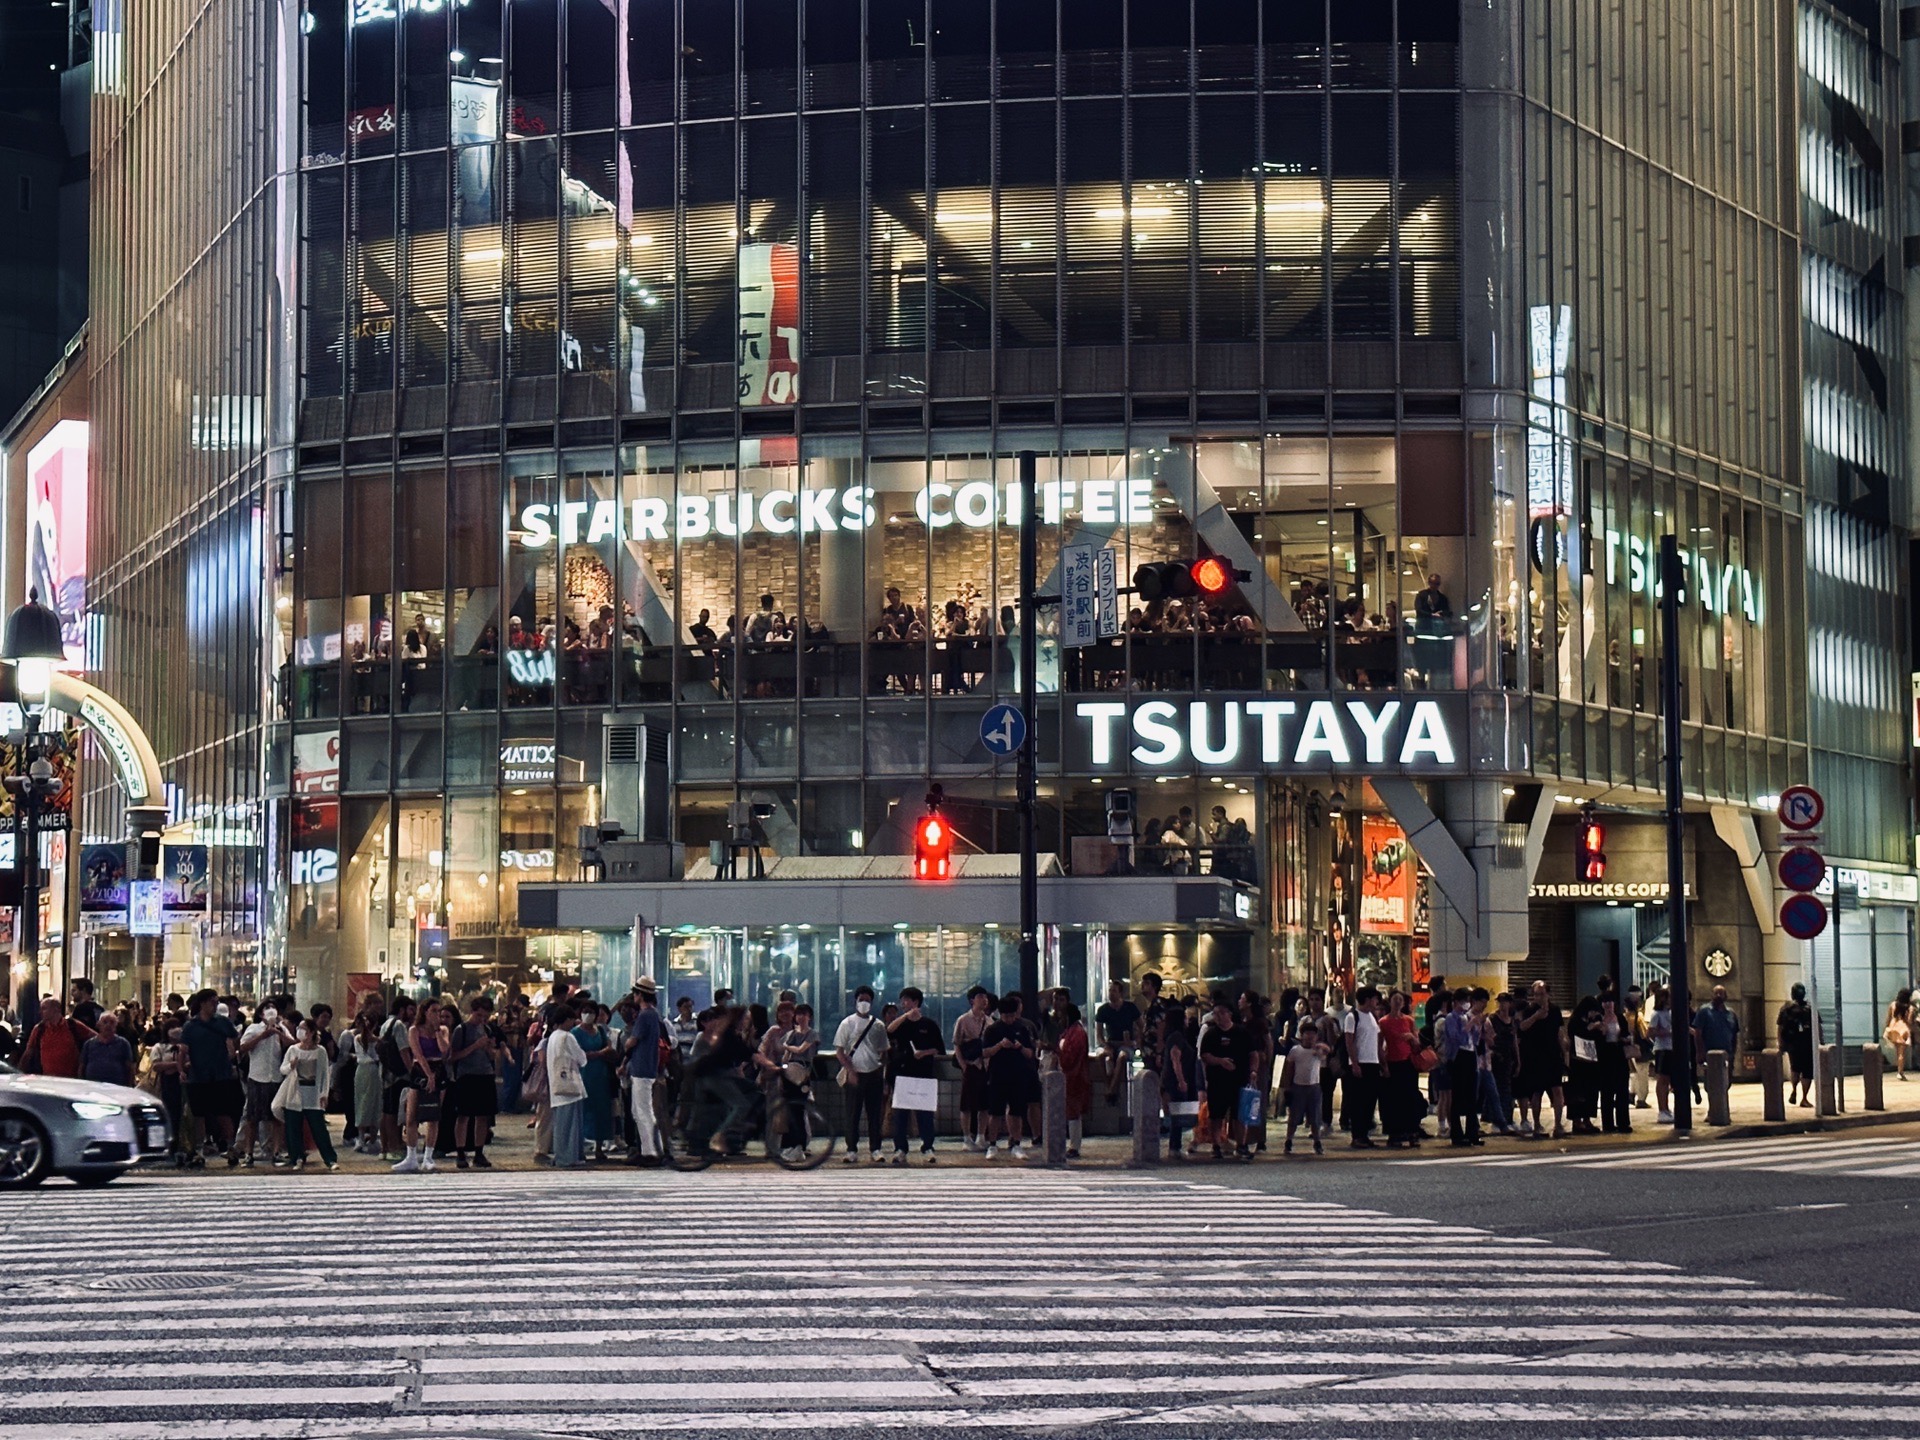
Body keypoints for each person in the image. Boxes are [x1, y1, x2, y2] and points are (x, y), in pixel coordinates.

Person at [179, 990, 242, 1164]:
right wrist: (182, 1070)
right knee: (199, 1114)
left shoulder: (223, 1023)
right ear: (202, 1004)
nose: (215, 1005)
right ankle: (199, 1149)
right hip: (198, 1075)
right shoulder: (191, 1026)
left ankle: (230, 1147)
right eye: (212, 1002)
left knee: (224, 1112)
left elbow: (235, 1040)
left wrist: (231, 1054)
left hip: (221, 1073)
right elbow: (183, 1050)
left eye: (216, 1002)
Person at [883, 987, 945, 1164]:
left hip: (924, 1074)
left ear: (916, 1002)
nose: (903, 1004)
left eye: (907, 1001)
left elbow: (939, 1048)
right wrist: (905, 1016)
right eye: (902, 1001)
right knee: (900, 1114)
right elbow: (890, 1030)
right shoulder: (902, 1024)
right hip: (903, 1073)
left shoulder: (929, 1024)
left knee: (924, 1114)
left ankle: (927, 1147)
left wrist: (924, 1053)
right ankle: (900, 1148)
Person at [393, 1000, 450, 1174]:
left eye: (439, 1011)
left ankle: (428, 1156)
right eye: (433, 1011)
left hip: (438, 1067)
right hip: (420, 1069)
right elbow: (417, 1053)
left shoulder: (443, 1030)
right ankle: (411, 1156)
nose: (437, 1014)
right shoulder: (414, 1030)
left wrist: (437, 1031)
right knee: (412, 1115)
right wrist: (428, 1075)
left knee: (434, 1115)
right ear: (424, 1012)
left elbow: (444, 1050)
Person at [834, 986, 889, 1163]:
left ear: (871, 1003)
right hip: (854, 1075)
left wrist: (881, 1070)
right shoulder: (847, 1023)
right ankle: (851, 1149)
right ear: (855, 1001)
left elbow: (884, 1051)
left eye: (867, 1000)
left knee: (875, 1113)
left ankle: (876, 1148)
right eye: (861, 999)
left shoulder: (878, 1025)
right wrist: (850, 1070)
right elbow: (840, 1051)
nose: (864, 1003)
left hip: (874, 1074)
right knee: (852, 1113)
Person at [982, 994, 1038, 1160]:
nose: (1009, 1019)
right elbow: (985, 1052)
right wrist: (1000, 1045)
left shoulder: (1023, 1028)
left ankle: (1016, 1143)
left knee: (1017, 1111)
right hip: (998, 1074)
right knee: (995, 1112)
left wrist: (1019, 1047)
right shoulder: (992, 1029)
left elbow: (1030, 1054)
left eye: (1012, 1016)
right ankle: (992, 1144)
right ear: (1000, 1014)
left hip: (1019, 1074)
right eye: (1006, 1016)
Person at [277, 1020, 339, 1170]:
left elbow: (325, 1074)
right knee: (293, 1127)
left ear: (311, 1032)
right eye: (299, 1028)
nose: (300, 1031)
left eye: (303, 1029)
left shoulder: (320, 1051)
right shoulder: (293, 1049)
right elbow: (283, 1069)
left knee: (318, 1127)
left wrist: (324, 1093)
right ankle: (296, 1157)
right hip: (295, 1093)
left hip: (313, 1094)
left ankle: (330, 1159)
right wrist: (291, 1066)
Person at [237, 1002, 293, 1166]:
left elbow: (292, 1044)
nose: (271, 1011)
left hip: (275, 1077)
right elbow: (242, 1047)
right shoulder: (253, 1028)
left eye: (273, 1008)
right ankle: (248, 1153)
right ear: (261, 1014)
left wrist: (278, 1032)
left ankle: (276, 1152)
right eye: (267, 1009)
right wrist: (263, 1035)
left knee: (276, 1117)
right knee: (252, 1118)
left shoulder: (281, 1028)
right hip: (257, 1077)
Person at [448, 996, 500, 1169]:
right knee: (463, 1115)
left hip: (485, 1074)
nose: (481, 1020)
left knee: (482, 1116)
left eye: (485, 1017)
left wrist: (489, 1049)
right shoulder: (461, 1030)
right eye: (478, 1015)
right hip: (466, 1075)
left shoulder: (487, 1029)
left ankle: (479, 1151)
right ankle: (461, 1151)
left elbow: (493, 1056)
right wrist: (475, 1046)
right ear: (472, 1011)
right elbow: (453, 1056)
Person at [622, 976, 666, 1163]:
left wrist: (627, 1045)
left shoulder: (645, 1015)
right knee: (640, 1110)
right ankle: (652, 1148)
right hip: (646, 1067)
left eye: (635, 993)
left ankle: (651, 1152)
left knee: (643, 1111)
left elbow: (633, 1041)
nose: (634, 996)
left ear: (640, 995)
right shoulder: (653, 1014)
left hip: (642, 1068)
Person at [1199, 999, 1249, 1161]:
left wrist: (1253, 1071)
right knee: (1216, 1115)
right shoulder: (1211, 1034)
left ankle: (1241, 1145)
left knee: (1239, 1115)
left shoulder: (1241, 1032)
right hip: (1217, 1080)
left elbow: (1253, 1053)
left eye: (1222, 1013)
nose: (1218, 1016)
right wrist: (1220, 1061)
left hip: (1239, 1079)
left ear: (1230, 1014)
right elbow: (1204, 1055)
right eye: (1215, 1014)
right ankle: (1216, 1145)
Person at [1516, 980, 1567, 1139]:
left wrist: (1565, 1049)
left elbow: (1559, 1031)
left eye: (1541, 994)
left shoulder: (1555, 1010)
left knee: (1557, 1090)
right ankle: (1537, 1123)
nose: (1538, 997)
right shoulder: (1530, 1010)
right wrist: (1536, 1017)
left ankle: (1558, 1123)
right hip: (1536, 1056)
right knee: (1536, 1092)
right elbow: (1522, 1027)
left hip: (1552, 1055)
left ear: (1548, 995)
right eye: (1536, 994)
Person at [1376, 990, 1422, 1148]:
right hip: (1392, 1062)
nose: (1397, 1002)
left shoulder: (1409, 1020)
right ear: (1390, 1002)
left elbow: (1417, 1043)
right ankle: (1395, 1133)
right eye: (1394, 999)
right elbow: (1380, 1046)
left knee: (1409, 1098)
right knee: (1393, 1100)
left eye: (1400, 1000)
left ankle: (1412, 1132)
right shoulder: (1383, 1022)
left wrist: (1411, 1038)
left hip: (1407, 1062)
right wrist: (1384, 1066)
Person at [544, 1005, 589, 1167]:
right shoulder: (567, 1037)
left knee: (561, 1125)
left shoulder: (552, 1037)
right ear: (567, 1020)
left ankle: (561, 1155)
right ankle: (570, 1157)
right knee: (572, 1125)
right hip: (570, 1086)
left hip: (557, 1086)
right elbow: (582, 1058)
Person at [571, 1004, 618, 1160]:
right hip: (584, 1074)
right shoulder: (575, 1033)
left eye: (591, 1012)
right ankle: (580, 1148)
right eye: (586, 1011)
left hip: (601, 1075)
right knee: (584, 1110)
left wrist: (600, 1054)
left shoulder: (601, 1031)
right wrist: (599, 1053)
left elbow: (609, 1049)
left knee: (601, 1111)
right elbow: (579, 1055)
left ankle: (599, 1147)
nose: (588, 1015)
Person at [775, 1004, 820, 1159]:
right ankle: (791, 1145)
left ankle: (799, 1145)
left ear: (810, 1017)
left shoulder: (812, 1034)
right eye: (798, 1014)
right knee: (790, 1111)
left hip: (802, 1076)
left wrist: (788, 1046)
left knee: (799, 1111)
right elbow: (784, 1053)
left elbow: (801, 1050)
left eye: (804, 1014)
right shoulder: (792, 1033)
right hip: (789, 1074)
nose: (800, 1017)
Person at [952, 985, 994, 1151]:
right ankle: (966, 1137)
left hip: (985, 1066)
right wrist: (963, 1064)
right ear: (972, 1000)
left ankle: (981, 1136)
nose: (984, 1000)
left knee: (984, 1105)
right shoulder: (963, 1020)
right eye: (980, 997)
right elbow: (956, 1043)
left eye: (985, 997)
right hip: (970, 1066)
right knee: (967, 1104)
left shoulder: (990, 1021)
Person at [1439, 991, 1483, 1147]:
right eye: (1464, 1000)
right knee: (1457, 1096)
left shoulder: (1467, 1016)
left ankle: (1472, 1133)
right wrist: (1469, 1026)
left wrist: (1476, 1027)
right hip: (1458, 1057)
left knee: (1472, 1096)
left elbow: (1475, 1039)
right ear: (1456, 1002)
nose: (1466, 1004)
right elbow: (1454, 1037)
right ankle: (1457, 1134)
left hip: (1471, 1055)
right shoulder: (1452, 1018)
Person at [1342, 987, 1383, 1149]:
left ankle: (1364, 1134)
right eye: (1374, 999)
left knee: (1369, 1101)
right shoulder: (1353, 1017)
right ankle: (1357, 1135)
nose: (1376, 1003)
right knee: (1358, 1101)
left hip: (1373, 1062)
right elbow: (1349, 1041)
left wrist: (1382, 1063)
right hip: (1360, 1063)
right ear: (1367, 999)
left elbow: (1377, 1042)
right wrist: (1355, 1062)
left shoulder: (1372, 1017)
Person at [1279, 1022, 1328, 1155]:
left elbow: (1327, 1052)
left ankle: (1317, 1142)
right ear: (1302, 1035)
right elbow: (1289, 1069)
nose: (1310, 1037)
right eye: (1307, 1034)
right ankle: (1289, 1140)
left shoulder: (1317, 1051)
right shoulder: (1296, 1051)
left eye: (1313, 1034)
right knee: (1294, 1116)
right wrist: (1287, 1087)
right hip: (1298, 1087)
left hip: (1314, 1087)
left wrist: (1320, 1047)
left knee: (1315, 1117)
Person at [1094, 981, 1140, 1104]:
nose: (1111, 994)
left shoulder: (1130, 1007)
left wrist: (1135, 1042)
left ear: (1120, 993)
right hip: (1111, 1043)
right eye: (1110, 991)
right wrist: (1105, 1045)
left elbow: (1142, 1026)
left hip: (1125, 1043)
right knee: (1101, 1056)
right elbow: (1098, 1034)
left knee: (1122, 1056)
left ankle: (1112, 1089)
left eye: (1114, 991)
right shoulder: (1103, 1010)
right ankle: (1108, 1086)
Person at [1158, 1007, 1195, 1160]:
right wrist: (1181, 1080)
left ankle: (1175, 1146)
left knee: (1175, 1113)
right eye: (1185, 1017)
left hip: (1170, 1080)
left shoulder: (1172, 1036)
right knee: (1177, 1114)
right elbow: (1175, 1058)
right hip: (1174, 1081)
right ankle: (1174, 1147)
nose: (1187, 1020)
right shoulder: (1177, 1037)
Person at [1595, 992, 1632, 1134]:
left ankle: (1623, 1123)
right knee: (1607, 1091)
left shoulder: (1620, 1018)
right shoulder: (1599, 1018)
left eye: (1610, 1002)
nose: (1608, 1005)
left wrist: (1625, 1038)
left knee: (1622, 1089)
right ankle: (1608, 1124)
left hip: (1619, 1054)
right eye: (1605, 1002)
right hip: (1605, 1056)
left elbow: (1626, 1033)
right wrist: (1601, 1032)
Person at [1057, 1004, 1091, 1159]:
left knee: (1073, 1112)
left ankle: (1074, 1146)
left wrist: (1057, 1052)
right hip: (1072, 1075)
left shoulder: (1076, 1033)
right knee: (1072, 1112)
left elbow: (1070, 1056)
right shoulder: (1073, 1031)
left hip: (1074, 1075)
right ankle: (1073, 1144)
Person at [350, 1006, 385, 1154]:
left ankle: (360, 1137)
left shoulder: (357, 1038)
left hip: (360, 1071)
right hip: (373, 1071)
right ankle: (372, 1138)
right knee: (375, 1102)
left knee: (361, 1102)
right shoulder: (377, 1040)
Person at [1692, 986, 1742, 1085]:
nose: (1718, 996)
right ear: (1711, 995)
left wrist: (1733, 1054)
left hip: (1726, 1054)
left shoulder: (1731, 1013)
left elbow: (1735, 1035)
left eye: (1721, 993)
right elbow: (1698, 1033)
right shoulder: (1704, 1011)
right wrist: (1699, 1052)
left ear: (1725, 996)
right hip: (1709, 1055)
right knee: (1711, 1084)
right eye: (1716, 993)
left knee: (1726, 1083)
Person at [1776, 983, 1815, 1107]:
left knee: (1795, 1068)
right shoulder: (1809, 1008)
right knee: (1807, 1071)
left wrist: (1781, 1043)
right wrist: (1820, 1043)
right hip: (1807, 1044)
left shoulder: (1786, 1008)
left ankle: (1794, 1090)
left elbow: (1780, 1027)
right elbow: (1817, 1026)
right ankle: (1804, 1097)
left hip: (1793, 1045)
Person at [78, 1011, 136, 1088]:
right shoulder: (89, 1044)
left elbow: (130, 1069)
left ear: (116, 1026)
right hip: (92, 1089)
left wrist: (129, 1087)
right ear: (98, 1025)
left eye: (112, 1022)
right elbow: (82, 1067)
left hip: (116, 1089)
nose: (108, 1025)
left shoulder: (123, 1044)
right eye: (105, 1022)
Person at [1647, 984, 1676, 1123]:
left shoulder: (1670, 1013)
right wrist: (1667, 1033)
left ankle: (1667, 1108)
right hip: (1662, 1048)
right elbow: (1650, 1032)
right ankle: (1662, 1109)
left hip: (1671, 1048)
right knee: (1662, 1080)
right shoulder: (1656, 1014)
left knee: (1668, 1080)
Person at [1884, 988, 1912, 1081]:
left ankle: (1899, 1070)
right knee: (1901, 1053)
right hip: (1903, 1029)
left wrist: (1887, 1028)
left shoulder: (1893, 1005)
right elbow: (1909, 1021)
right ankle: (1900, 1072)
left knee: (1897, 1052)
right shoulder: (1909, 1008)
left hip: (1893, 1028)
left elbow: (1889, 1017)